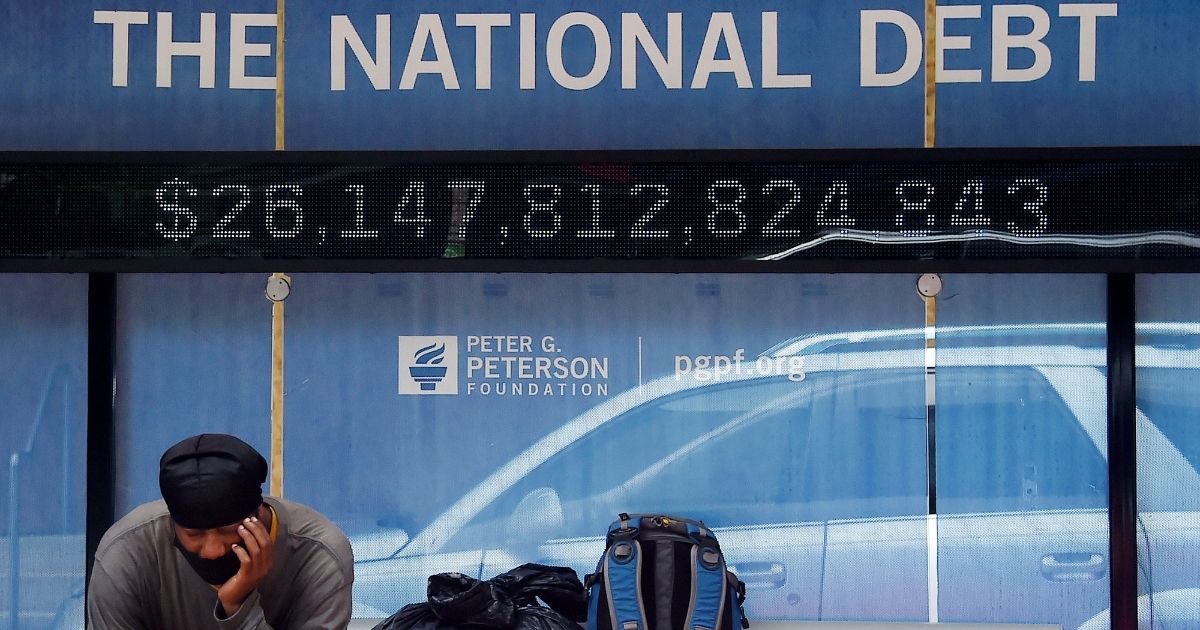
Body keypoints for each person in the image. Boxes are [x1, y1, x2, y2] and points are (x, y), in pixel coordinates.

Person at [87, 433, 355, 629]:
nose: (213, 550)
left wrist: (239, 607)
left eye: (229, 530)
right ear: (172, 521)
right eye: (193, 534)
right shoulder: (127, 551)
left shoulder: (319, 553)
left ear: (259, 511)